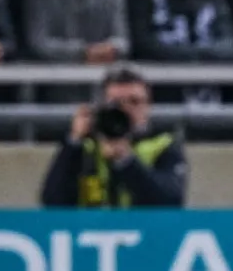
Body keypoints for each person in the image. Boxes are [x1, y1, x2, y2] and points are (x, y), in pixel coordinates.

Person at [39, 66, 189, 208]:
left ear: (148, 106)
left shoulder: (163, 144)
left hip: (142, 225)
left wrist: (126, 160)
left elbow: (171, 200)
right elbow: (52, 200)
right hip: (91, 225)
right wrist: (73, 142)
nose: (126, 109)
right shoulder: (86, 145)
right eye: (116, 103)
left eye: (134, 102)